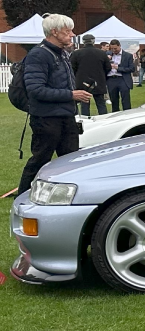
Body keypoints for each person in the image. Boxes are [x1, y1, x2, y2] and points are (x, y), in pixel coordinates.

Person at [19, 14, 94, 195]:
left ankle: (71, 195)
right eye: (67, 31)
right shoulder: (39, 55)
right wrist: (71, 94)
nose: (72, 34)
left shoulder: (62, 54)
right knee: (41, 159)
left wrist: (73, 95)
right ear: (54, 32)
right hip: (45, 118)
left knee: (71, 159)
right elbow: (36, 89)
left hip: (65, 115)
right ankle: (22, 195)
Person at [70, 33, 110, 115]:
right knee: (101, 104)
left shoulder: (76, 53)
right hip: (98, 81)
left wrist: (77, 77)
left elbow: (72, 68)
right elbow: (108, 68)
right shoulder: (102, 53)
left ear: (83, 42)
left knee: (84, 105)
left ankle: (85, 120)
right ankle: (104, 120)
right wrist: (103, 76)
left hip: (83, 82)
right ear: (93, 42)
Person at [105, 39, 134, 110]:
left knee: (125, 100)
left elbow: (131, 68)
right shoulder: (107, 55)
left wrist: (118, 68)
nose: (114, 50)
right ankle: (115, 114)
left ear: (119, 46)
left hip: (123, 79)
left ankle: (127, 114)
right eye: (112, 48)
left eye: (115, 48)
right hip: (111, 79)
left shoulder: (128, 56)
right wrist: (107, 60)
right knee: (114, 101)